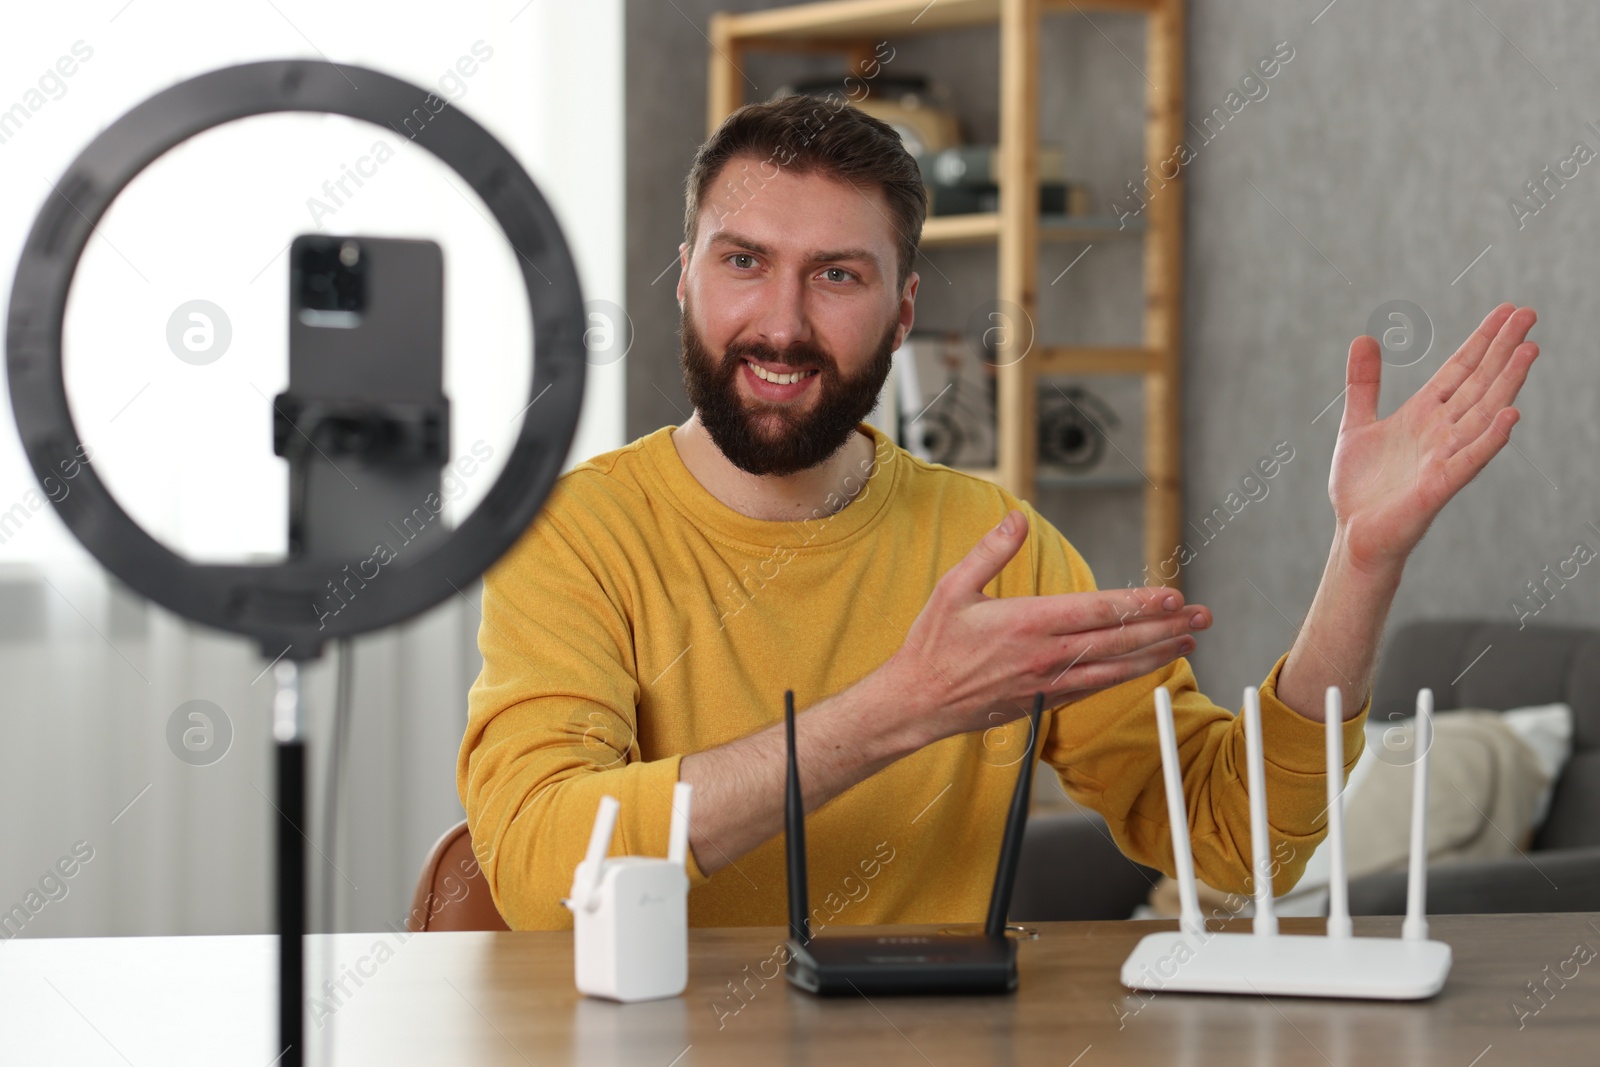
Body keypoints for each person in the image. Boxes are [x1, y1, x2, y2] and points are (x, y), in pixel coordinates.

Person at [456, 94, 1539, 931]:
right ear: (685, 277)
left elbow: (1234, 840)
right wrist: (901, 707)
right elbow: (550, 871)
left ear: (902, 307)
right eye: (744, 262)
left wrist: (1360, 560)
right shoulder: (570, 533)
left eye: (836, 275)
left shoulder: (997, 546)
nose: (779, 323)